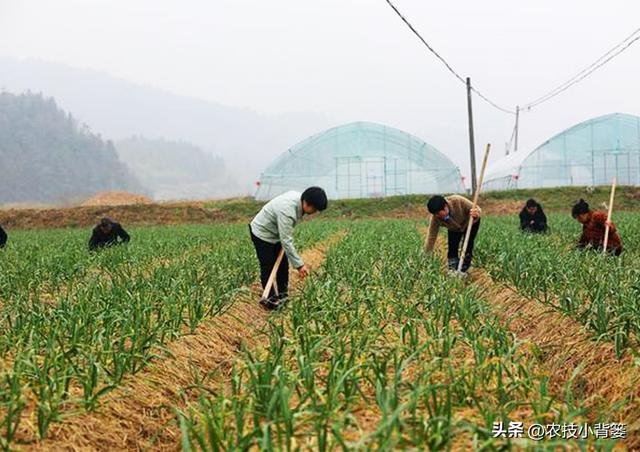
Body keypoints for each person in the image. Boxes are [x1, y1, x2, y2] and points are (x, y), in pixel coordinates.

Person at [249, 187, 328, 310]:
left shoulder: (298, 199)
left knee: (282, 266)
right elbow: (286, 241)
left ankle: (283, 296)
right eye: (315, 209)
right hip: (262, 233)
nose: (314, 212)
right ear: (307, 203)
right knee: (268, 266)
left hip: (276, 234)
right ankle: (271, 301)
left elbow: (285, 236)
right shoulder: (288, 211)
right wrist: (300, 265)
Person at [425, 195, 481, 272]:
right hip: (454, 227)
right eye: (435, 214)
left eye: (438, 213)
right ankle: (453, 267)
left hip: (470, 222)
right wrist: (427, 254)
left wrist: (476, 214)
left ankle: (465, 266)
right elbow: (431, 236)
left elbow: (477, 209)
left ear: (445, 207)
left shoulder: (458, 201)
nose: (437, 216)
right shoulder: (436, 218)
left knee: (468, 244)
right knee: (452, 246)